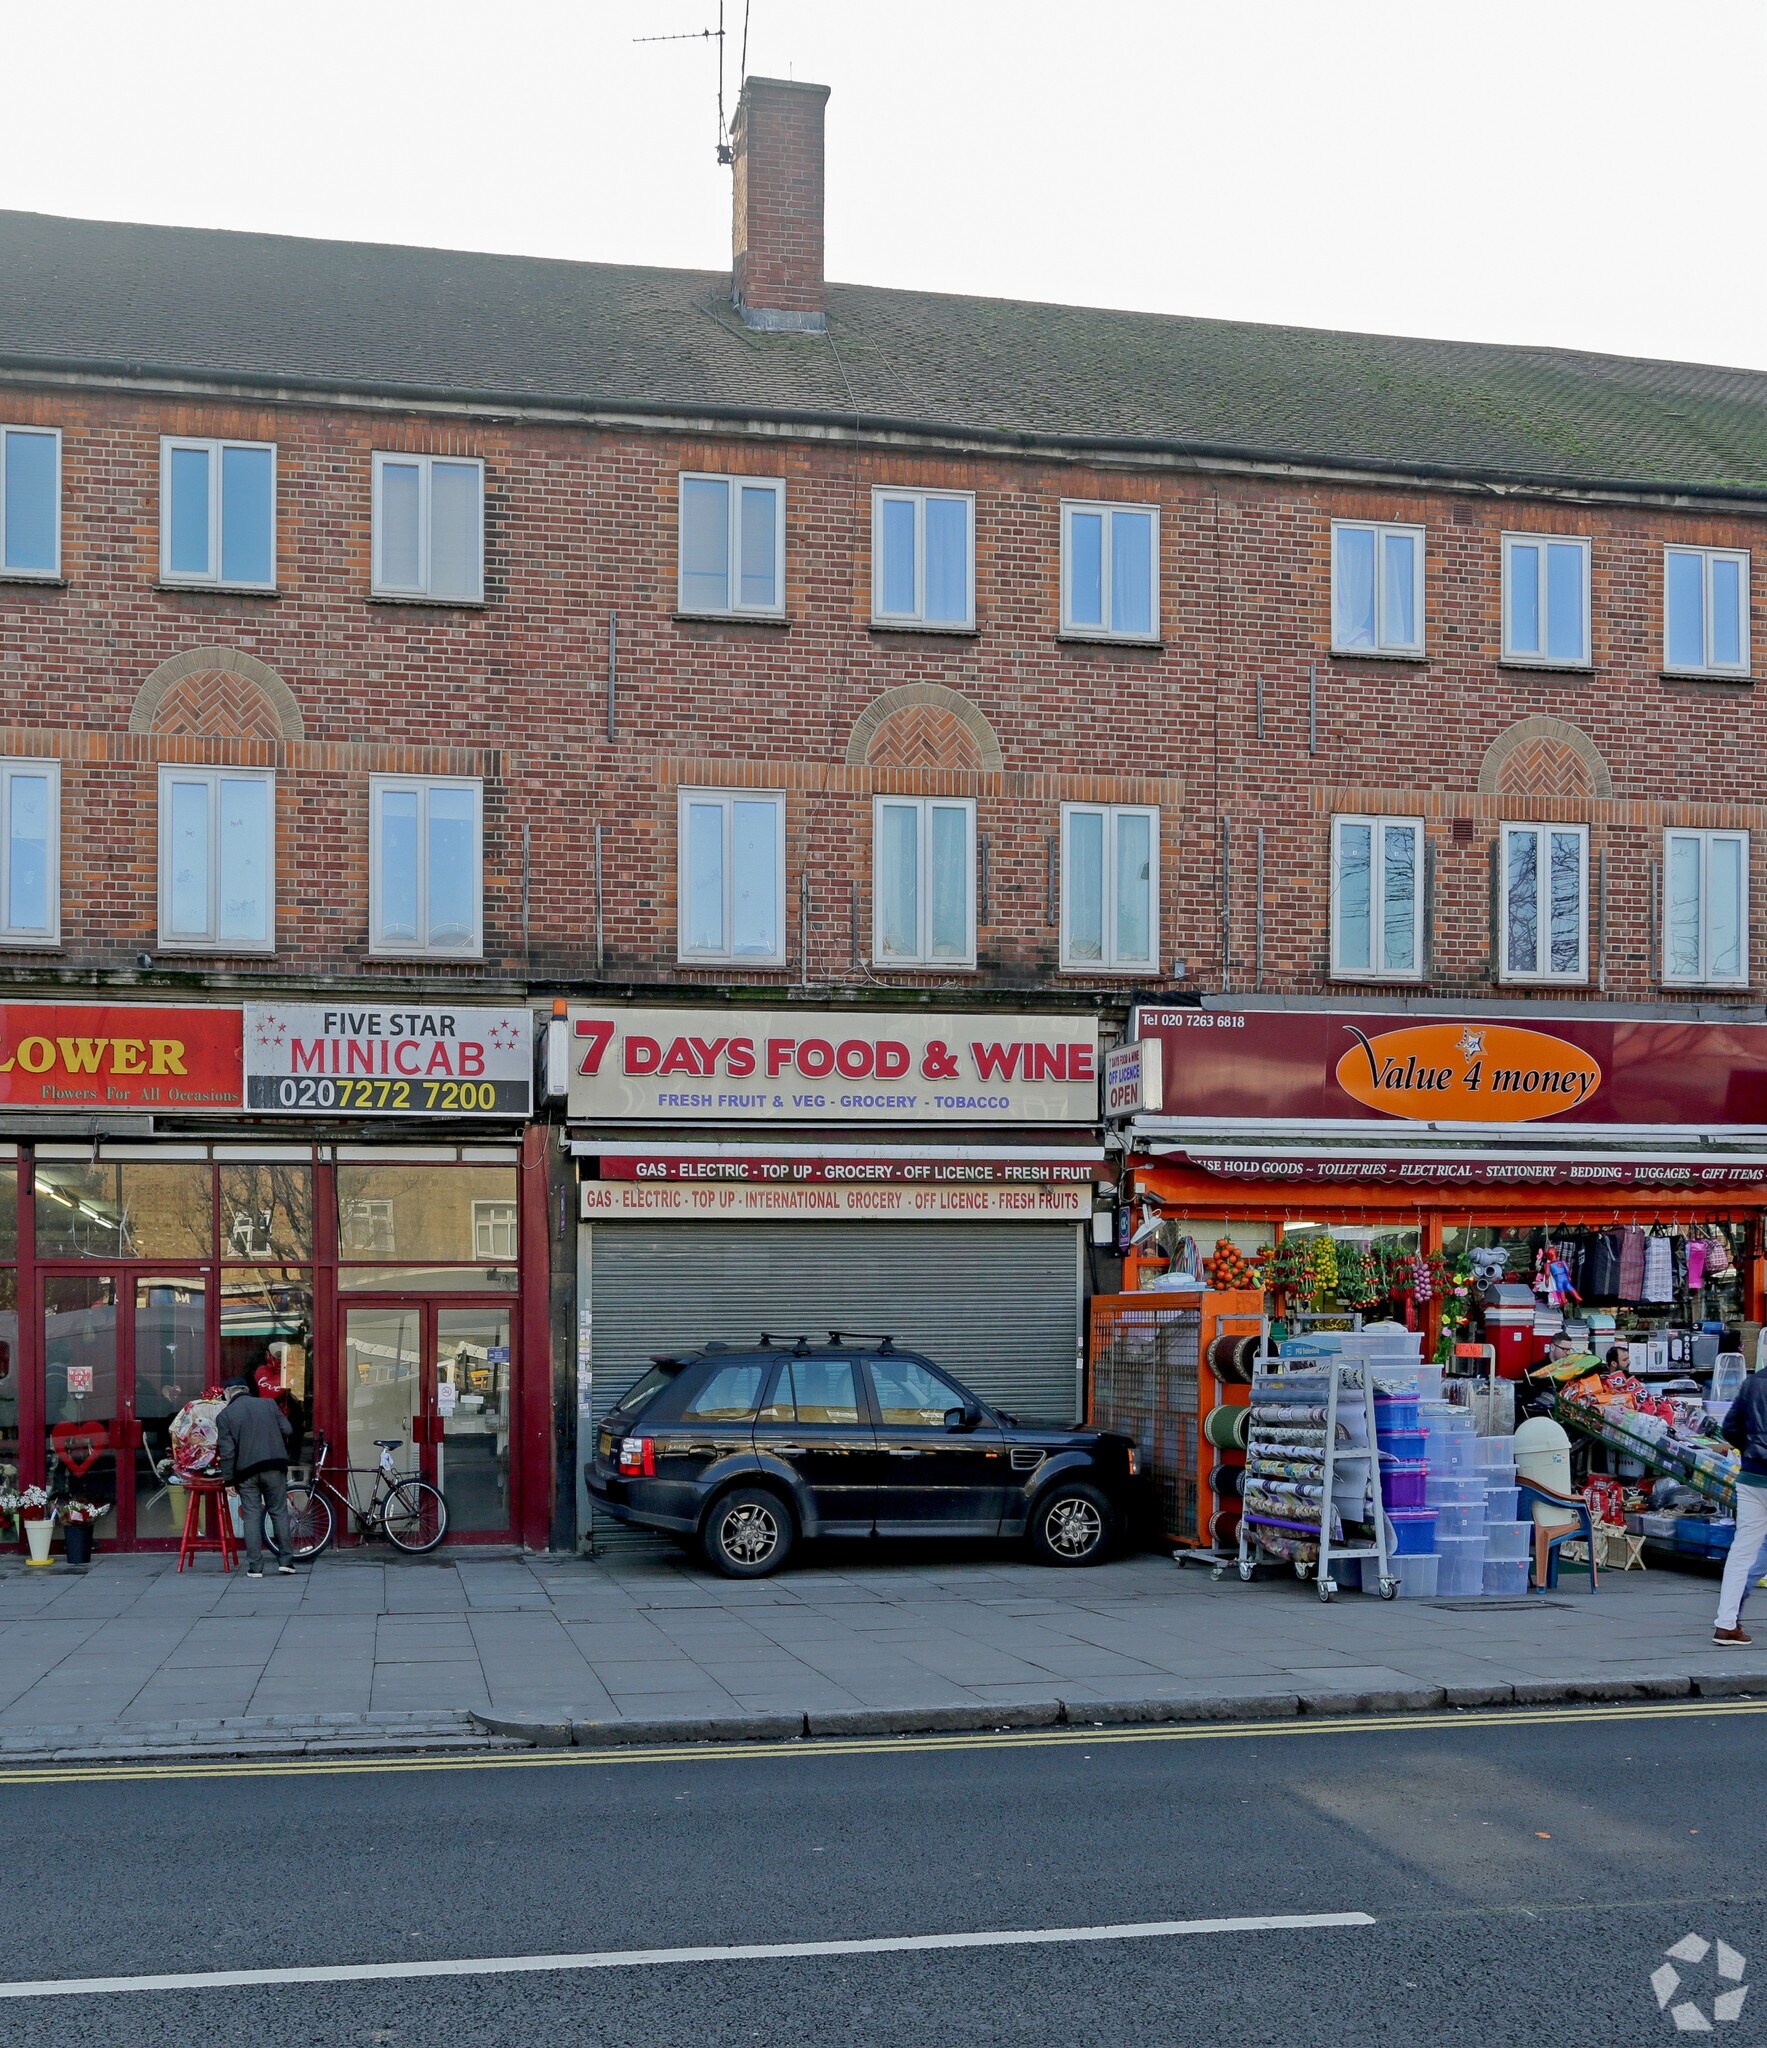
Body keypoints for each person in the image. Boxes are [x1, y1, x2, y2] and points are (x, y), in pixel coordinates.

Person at [215, 1375, 296, 1579]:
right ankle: (286, 1562)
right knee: (279, 1512)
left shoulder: (225, 1416)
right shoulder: (269, 1404)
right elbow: (288, 1429)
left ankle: (255, 1567)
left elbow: (227, 1452)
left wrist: (228, 1480)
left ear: (227, 1394)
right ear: (246, 1389)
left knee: (251, 1516)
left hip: (246, 1472)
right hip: (274, 1468)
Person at [1714, 1367, 1767, 1645]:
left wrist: (1750, 1451)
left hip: (1752, 1475)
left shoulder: (1753, 1382)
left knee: (1742, 1551)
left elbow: (1730, 1427)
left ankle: (1726, 1623)